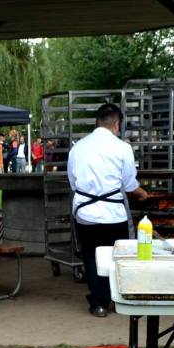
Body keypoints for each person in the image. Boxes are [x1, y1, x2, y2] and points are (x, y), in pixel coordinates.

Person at [68, 103, 148, 318]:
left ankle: (99, 303)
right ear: (116, 124)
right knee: (116, 256)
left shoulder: (78, 148)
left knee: (91, 256)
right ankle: (117, 298)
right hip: (114, 213)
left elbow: (73, 183)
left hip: (86, 213)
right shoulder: (122, 148)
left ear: (97, 122)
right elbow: (129, 185)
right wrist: (142, 193)